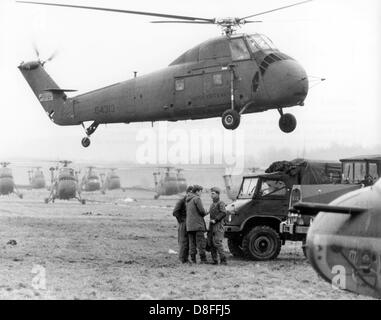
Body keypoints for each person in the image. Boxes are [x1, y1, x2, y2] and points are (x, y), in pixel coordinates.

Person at [186, 185, 208, 264]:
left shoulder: (188, 200)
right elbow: (202, 212)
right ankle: (203, 260)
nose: (201, 193)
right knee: (201, 243)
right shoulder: (197, 199)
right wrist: (207, 212)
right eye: (201, 191)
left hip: (189, 226)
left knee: (192, 244)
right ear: (197, 191)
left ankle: (193, 260)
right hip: (198, 226)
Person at [172, 185, 193, 263]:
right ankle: (181, 259)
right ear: (187, 192)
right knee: (183, 241)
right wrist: (181, 221)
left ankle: (185, 259)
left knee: (187, 242)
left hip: (189, 223)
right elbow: (175, 212)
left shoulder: (189, 201)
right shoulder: (181, 201)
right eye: (191, 192)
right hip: (183, 223)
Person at [207, 187, 227, 265]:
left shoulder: (221, 203)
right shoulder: (212, 204)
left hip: (218, 225)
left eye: (213, 193)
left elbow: (223, 213)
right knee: (211, 243)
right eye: (211, 193)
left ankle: (223, 260)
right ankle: (215, 260)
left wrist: (215, 220)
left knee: (217, 242)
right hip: (211, 225)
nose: (211, 195)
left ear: (218, 194)